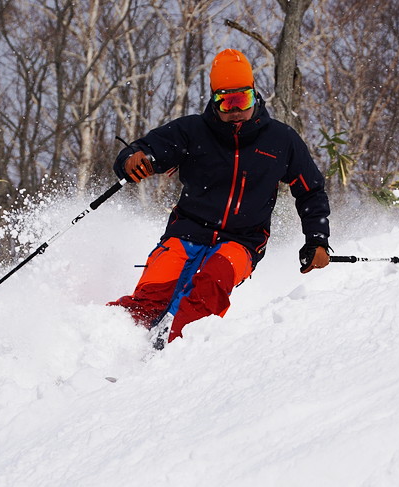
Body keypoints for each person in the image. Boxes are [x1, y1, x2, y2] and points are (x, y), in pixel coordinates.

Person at [108, 49, 331, 348]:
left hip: (243, 241)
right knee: (151, 296)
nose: (236, 110)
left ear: (255, 96)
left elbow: (310, 189)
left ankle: (171, 354)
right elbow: (144, 150)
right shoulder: (192, 131)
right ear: (214, 100)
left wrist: (316, 239)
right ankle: (108, 345)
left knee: (208, 289)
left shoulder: (281, 140)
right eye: (226, 101)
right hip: (186, 230)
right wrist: (132, 159)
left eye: (243, 100)